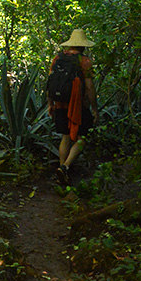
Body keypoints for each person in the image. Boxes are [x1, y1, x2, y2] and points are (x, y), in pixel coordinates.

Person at [47, 27, 99, 185]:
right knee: (82, 137)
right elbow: (89, 86)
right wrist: (94, 108)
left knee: (65, 137)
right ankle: (65, 167)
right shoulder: (84, 61)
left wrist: (50, 104)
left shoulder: (57, 58)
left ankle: (62, 172)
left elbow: (50, 82)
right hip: (78, 105)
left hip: (60, 103)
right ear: (83, 45)